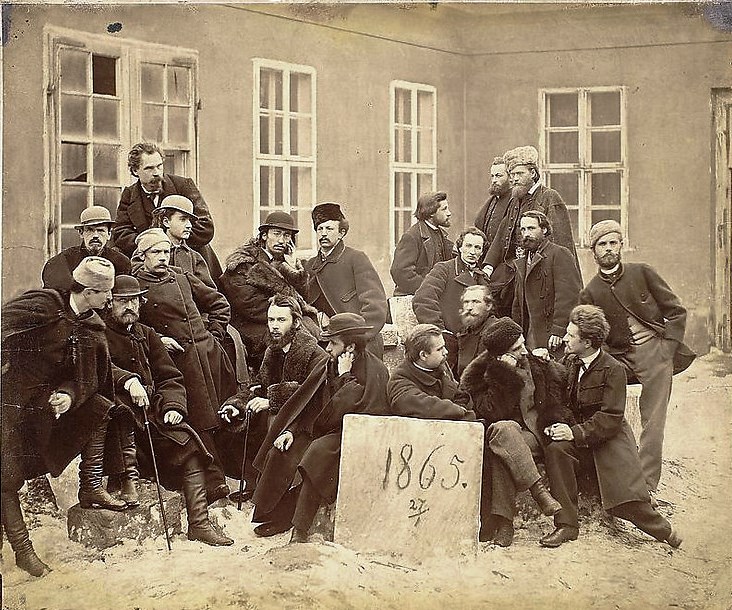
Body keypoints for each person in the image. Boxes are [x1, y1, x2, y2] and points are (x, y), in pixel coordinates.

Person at [2, 257, 123, 577]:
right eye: (105, 293)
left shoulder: (90, 326)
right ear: (88, 291)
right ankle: (23, 551)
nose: (109, 299)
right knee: (5, 476)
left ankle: (91, 485)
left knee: (99, 407)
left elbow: (88, 377)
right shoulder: (44, 304)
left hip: (40, 409)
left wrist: (69, 395)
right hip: (8, 399)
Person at [103, 275, 233, 546]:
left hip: (153, 414)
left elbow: (170, 377)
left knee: (189, 445)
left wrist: (173, 407)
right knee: (124, 429)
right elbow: (99, 370)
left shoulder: (147, 335)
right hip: (119, 419)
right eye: (123, 302)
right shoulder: (100, 334)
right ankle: (127, 483)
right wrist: (128, 381)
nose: (130, 307)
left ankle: (199, 524)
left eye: (135, 301)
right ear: (109, 303)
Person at [541, 305, 682, 549]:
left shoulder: (613, 369)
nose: (564, 338)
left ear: (587, 342)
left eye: (571, 335)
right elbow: (560, 390)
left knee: (625, 500)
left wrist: (573, 432)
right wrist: (545, 364)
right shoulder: (571, 361)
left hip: (610, 444)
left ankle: (665, 532)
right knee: (556, 451)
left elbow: (611, 417)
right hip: (583, 440)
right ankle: (567, 525)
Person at [579, 220, 695, 496]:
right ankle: (618, 477)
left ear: (621, 245)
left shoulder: (642, 272)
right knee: (610, 411)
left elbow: (676, 311)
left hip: (655, 352)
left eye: (613, 243)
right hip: (620, 359)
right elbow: (594, 336)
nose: (609, 249)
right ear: (593, 251)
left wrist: (668, 348)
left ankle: (647, 485)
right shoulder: (590, 292)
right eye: (602, 245)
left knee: (653, 420)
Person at [132, 228, 236, 504]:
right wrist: (158, 339)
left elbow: (219, 303)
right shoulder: (136, 284)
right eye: (156, 252)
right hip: (176, 364)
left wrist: (213, 335)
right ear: (142, 255)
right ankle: (212, 483)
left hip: (208, 358)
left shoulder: (181, 276)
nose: (162, 257)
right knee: (197, 419)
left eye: (166, 251)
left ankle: (223, 476)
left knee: (221, 416)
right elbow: (133, 324)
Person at [220, 294, 329, 537]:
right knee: (238, 428)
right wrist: (238, 405)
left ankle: (282, 516)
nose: (274, 326)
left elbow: (312, 400)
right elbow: (258, 386)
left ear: (296, 322)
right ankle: (255, 484)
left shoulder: (315, 355)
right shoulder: (273, 351)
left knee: (282, 452)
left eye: (281, 320)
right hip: (281, 419)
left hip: (307, 424)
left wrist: (273, 403)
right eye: (271, 320)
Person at [458, 317, 567, 546]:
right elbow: (492, 413)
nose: (524, 351)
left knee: (503, 452)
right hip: (504, 434)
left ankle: (505, 523)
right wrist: (502, 375)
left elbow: (562, 381)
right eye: (517, 349)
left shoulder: (534, 361)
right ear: (500, 355)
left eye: (523, 343)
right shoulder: (478, 375)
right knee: (503, 431)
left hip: (536, 432)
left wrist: (550, 360)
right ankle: (539, 493)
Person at [288, 314, 389, 543]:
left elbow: (362, 413)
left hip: (359, 436)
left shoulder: (376, 370)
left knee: (317, 453)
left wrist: (345, 377)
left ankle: (300, 528)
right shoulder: (332, 363)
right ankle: (281, 520)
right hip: (331, 429)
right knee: (293, 451)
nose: (328, 348)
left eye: (333, 343)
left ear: (350, 347)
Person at [483, 146, 578, 317]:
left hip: (540, 273)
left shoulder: (549, 198)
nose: (514, 179)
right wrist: (489, 266)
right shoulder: (515, 200)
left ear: (533, 173)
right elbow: (501, 236)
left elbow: (562, 245)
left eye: (519, 174)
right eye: (511, 174)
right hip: (515, 272)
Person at [219, 211, 318, 375]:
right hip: (251, 326)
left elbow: (304, 298)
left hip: (279, 320)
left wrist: (294, 271)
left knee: (309, 331)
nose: (282, 240)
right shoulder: (243, 263)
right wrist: (289, 315)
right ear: (264, 236)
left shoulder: (285, 263)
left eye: (286, 235)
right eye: (276, 234)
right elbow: (249, 304)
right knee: (296, 337)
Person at [113, 142, 222, 281]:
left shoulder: (183, 186)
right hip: (151, 266)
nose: (156, 173)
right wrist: (152, 244)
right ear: (135, 171)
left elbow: (205, 227)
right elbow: (121, 233)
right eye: (149, 168)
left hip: (192, 265)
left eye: (159, 166)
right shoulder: (129, 195)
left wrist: (174, 241)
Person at [305, 202, 388, 358]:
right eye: (320, 229)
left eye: (329, 229)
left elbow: (375, 305)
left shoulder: (355, 258)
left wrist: (358, 338)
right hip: (327, 341)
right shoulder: (310, 266)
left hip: (359, 340)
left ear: (341, 233)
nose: (323, 234)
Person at [413, 227, 490, 375]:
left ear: (482, 252)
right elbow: (423, 299)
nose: (472, 252)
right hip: (448, 343)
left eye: (477, 248)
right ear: (460, 247)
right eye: (468, 246)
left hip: (474, 345)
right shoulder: (444, 269)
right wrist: (439, 330)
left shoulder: (482, 279)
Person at [512, 211, 581, 356]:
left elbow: (568, 296)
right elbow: (518, 303)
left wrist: (558, 329)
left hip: (551, 335)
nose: (526, 234)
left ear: (544, 229)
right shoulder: (522, 262)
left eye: (531, 228)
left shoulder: (559, 254)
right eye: (523, 229)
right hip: (528, 333)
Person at [387, 324, 477, 422]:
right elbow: (423, 405)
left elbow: (461, 396)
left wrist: (462, 409)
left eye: (444, 346)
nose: (446, 352)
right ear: (423, 355)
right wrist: (458, 411)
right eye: (439, 349)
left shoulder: (440, 366)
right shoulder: (400, 379)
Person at [42, 206, 131, 291]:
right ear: (81, 233)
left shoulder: (121, 263)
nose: (95, 235)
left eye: (100, 230)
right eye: (90, 230)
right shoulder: (64, 261)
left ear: (109, 235)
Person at [390, 191, 454, 296]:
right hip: (414, 297)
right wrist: (427, 289)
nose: (449, 213)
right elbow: (400, 272)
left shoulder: (442, 236)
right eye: (444, 209)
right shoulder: (412, 236)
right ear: (431, 212)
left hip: (435, 296)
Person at [151, 195, 216, 288]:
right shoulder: (149, 251)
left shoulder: (194, 257)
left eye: (190, 221)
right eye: (183, 219)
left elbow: (207, 291)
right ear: (166, 222)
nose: (189, 225)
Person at [455, 285, 498, 378]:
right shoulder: (465, 329)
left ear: (488, 306)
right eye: (466, 302)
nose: (469, 307)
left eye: (475, 302)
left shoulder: (495, 330)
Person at [474, 157, 512, 253]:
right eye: (492, 176)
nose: (494, 180)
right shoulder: (492, 201)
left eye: (498, 176)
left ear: (510, 177)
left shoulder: (514, 201)